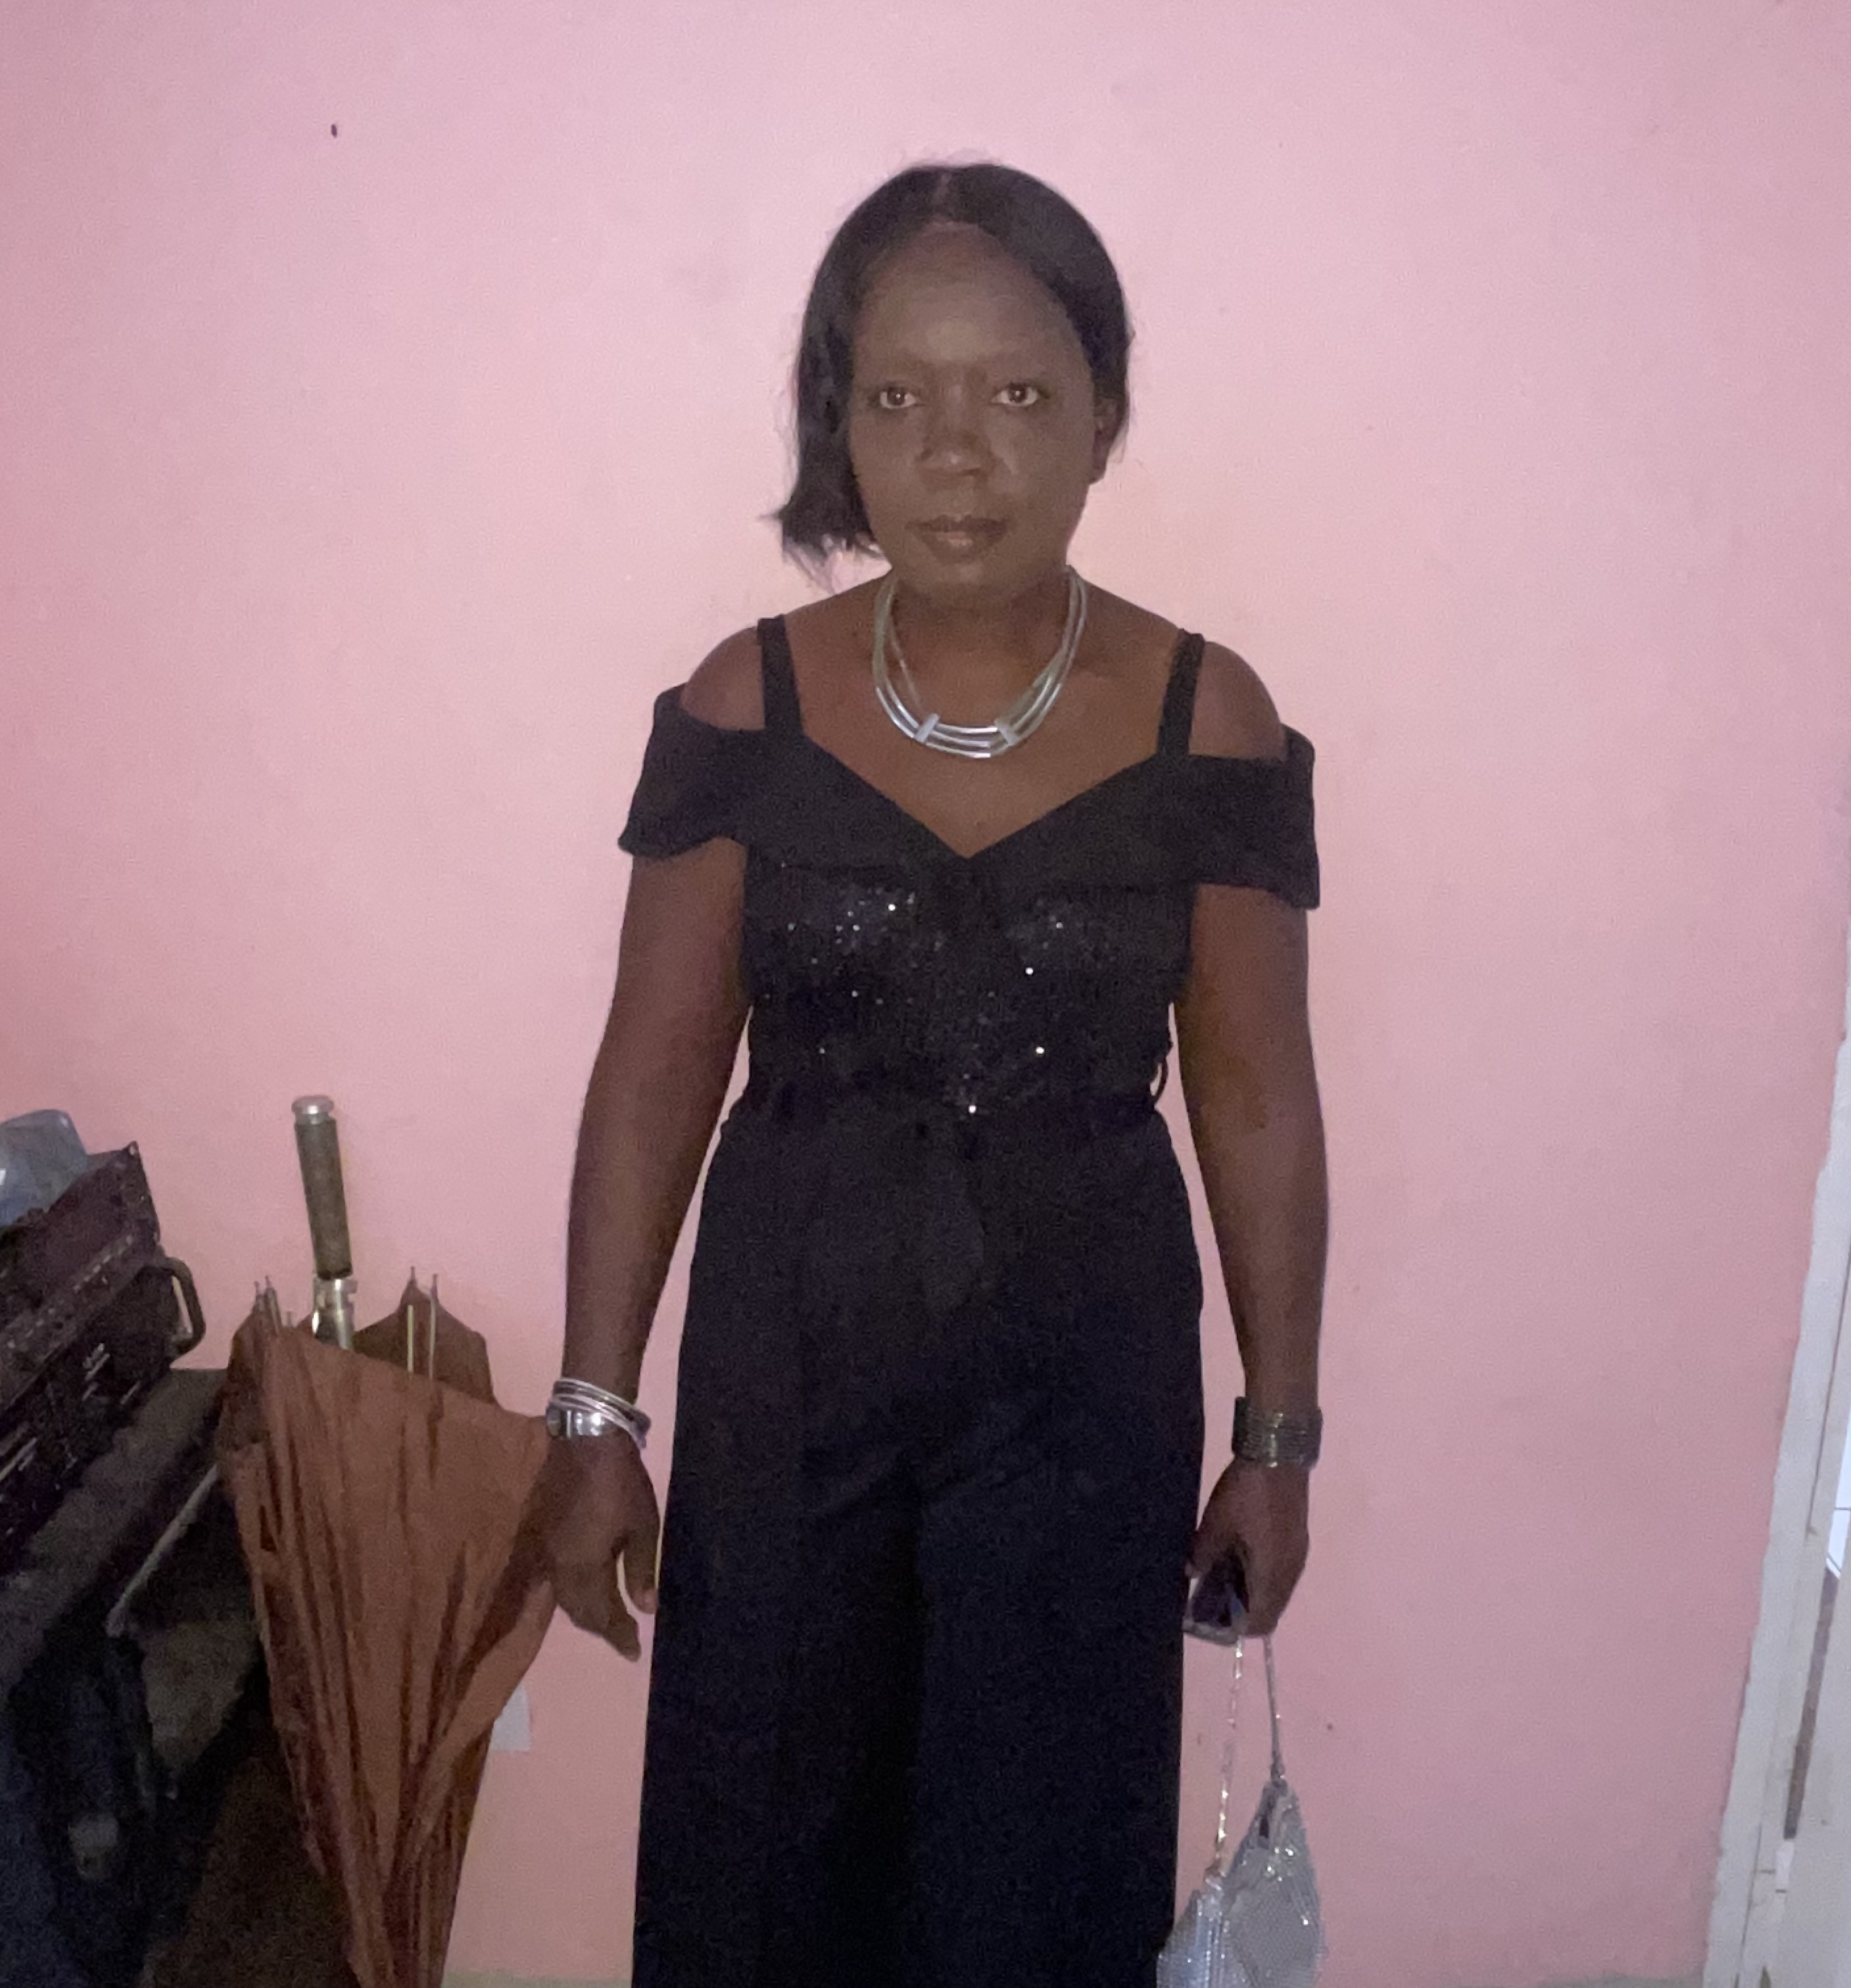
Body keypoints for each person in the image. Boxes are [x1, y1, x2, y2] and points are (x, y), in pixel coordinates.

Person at [533, 161, 1328, 1988]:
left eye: (1018, 392)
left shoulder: (1208, 717)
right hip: (787, 1370)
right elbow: (652, 1076)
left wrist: (1277, 1440)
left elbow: (1259, 1101)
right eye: (898, 396)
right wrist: (593, 1417)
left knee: (1036, 1878)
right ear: (841, 423)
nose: (956, 451)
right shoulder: (748, 705)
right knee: (763, 1853)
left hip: (1084, 1383)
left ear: (1103, 415)